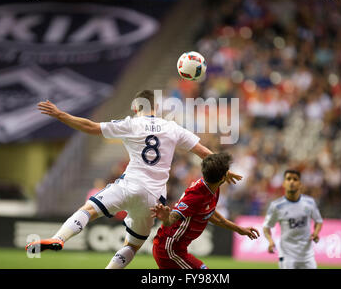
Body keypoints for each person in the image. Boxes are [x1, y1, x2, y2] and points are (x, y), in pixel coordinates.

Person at [26, 89, 242, 269]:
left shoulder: (130, 124)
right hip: (154, 198)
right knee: (132, 245)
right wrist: (225, 170)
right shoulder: (172, 127)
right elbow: (202, 151)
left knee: (89, 210)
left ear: (137, 108)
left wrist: (60, 115)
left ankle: (59, 238)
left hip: (129, 185)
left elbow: (91, 127)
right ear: (155, 107)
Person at [150, 152, 259, 269]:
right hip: (169, 250)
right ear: (222, 178)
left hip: (177, 249)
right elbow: (172, 219)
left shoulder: (211, 186)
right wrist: (166, 218)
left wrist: (239, 229)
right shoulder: (196, 195)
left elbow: (211, 214)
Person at [263, 169, 323, 269]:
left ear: (300, 184)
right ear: (283, 183)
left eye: (295, 179)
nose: (291, 182)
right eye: (288, 179)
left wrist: (316, 232)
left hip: (307, 256)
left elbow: (319, 221)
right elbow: (266, 227)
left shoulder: (310, 202)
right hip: (287, 255)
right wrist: (270, 241)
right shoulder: (276, 206)